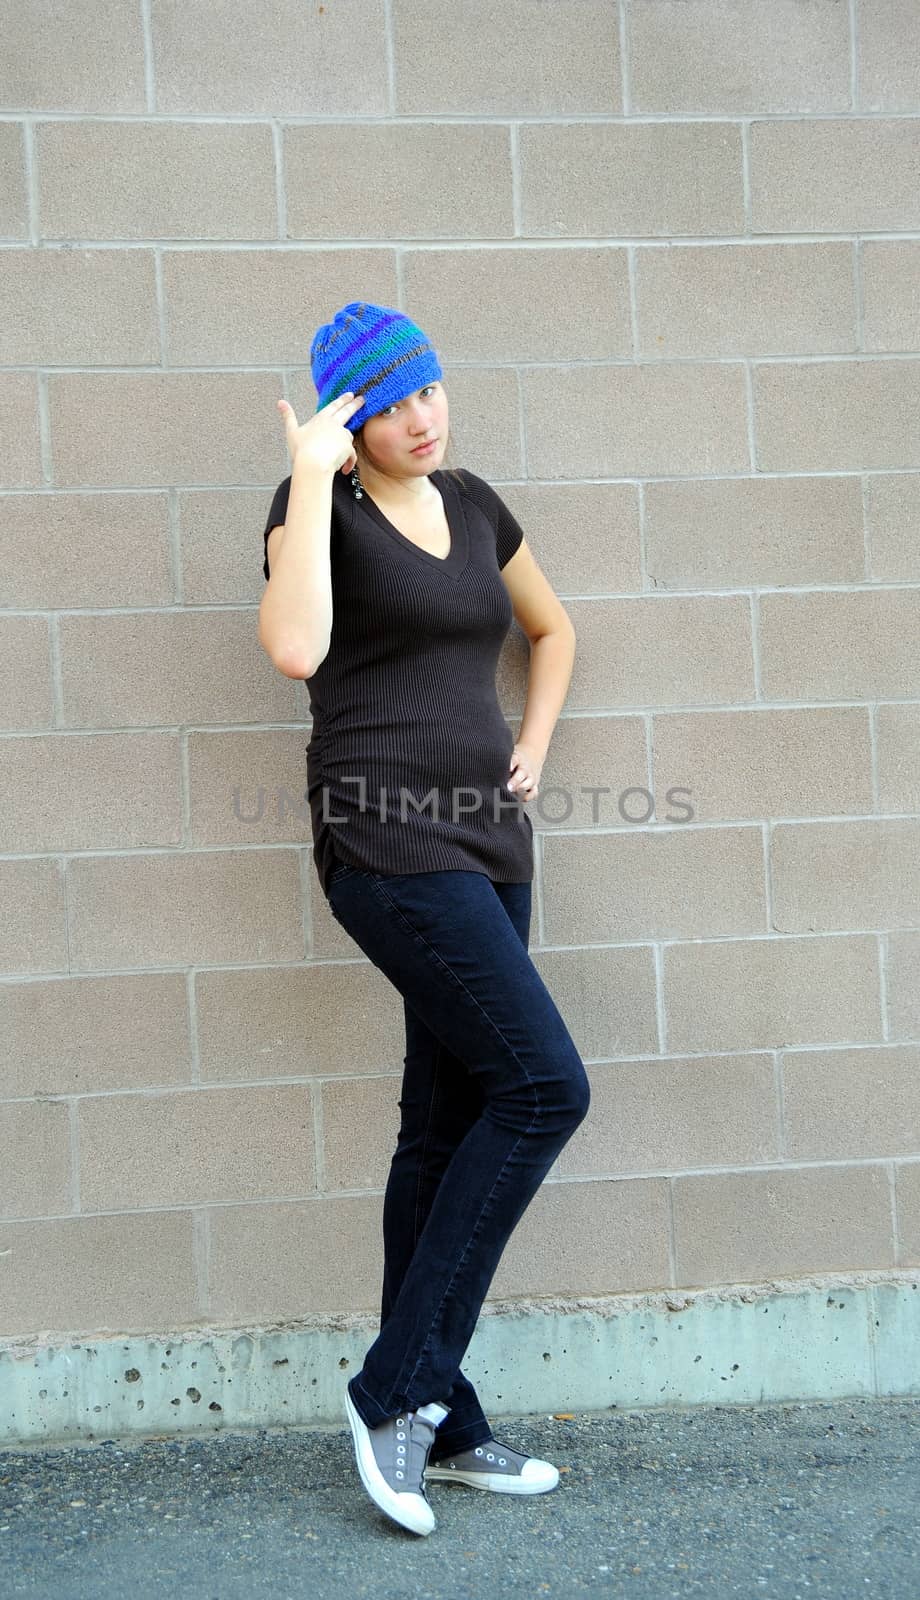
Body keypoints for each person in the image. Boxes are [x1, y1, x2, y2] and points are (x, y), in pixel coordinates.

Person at [258, 301, 591, 1538]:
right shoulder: (320, 514)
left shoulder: (478, 501)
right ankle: (394, 1390)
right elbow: (294, 650)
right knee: (544, 1088)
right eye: (387, 401)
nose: (417, 415)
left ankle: (439, 1422)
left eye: (426, 389)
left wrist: (533, 749)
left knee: (443, 1122)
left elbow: (552, 630)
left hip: (488, 842)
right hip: (387, 844)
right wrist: (301, 477)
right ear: (349, 417)